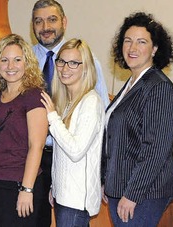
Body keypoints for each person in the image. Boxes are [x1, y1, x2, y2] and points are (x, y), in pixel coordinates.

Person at [30, 1, 110, 224]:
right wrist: (56, 185)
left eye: (52, 19)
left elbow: (97, 130)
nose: (65, 68)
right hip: (47, 164)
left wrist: (103, 174)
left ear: (64, 22)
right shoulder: (26, 59)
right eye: (39, 20)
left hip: (75, 183)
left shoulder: (89, 96)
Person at [103, 12, 173, 226]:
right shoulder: (132, 84)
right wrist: (107, 181)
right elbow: (113, 137)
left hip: (144, 191)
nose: (132, 48)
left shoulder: (159, 87)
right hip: (122, 185)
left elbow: (156, 148)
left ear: (154, 49)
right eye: (127, 41)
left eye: (141, 41)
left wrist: (132, 194)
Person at [0, 34, 48, 227]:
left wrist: (27, 189)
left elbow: (37, 146)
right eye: (4, 60)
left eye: (17, 60)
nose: (11, 66)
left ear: (27, 63)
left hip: (19, 185)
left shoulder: (34, 96)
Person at [39, 39, 103, 226]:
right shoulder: (67, 101)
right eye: (61, 61)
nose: (65, 68)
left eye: (73, 63)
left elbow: (75, 151)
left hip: (75, 200)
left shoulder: (90, 101)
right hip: (64, 196)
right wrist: (55, 187)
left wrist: (52, 117)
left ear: (86, 67)